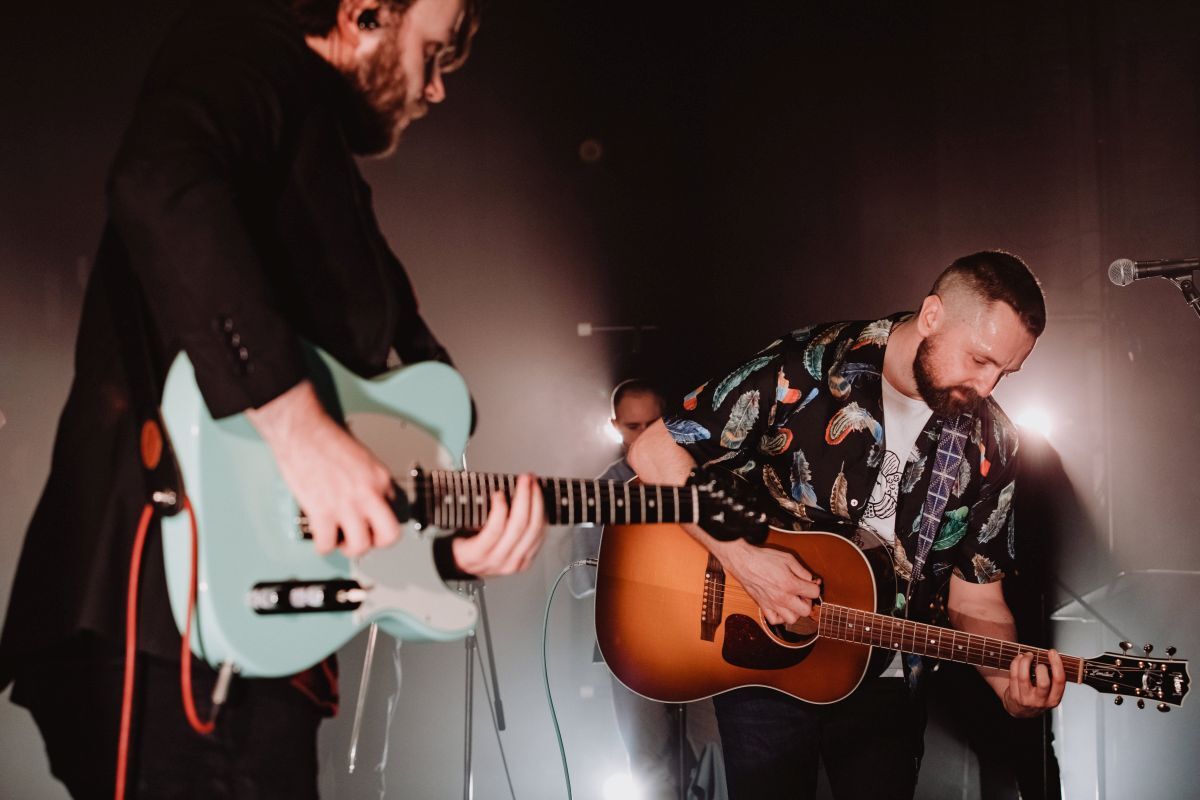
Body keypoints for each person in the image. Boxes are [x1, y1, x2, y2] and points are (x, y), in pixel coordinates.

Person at [0, 0, 545, 796]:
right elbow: (158, 181)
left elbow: (318, 477)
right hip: (165, 620)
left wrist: (441, 556)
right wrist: (296, 422)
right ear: (366, 12)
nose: (436, 92)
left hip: (266, 645)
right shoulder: (245, 49)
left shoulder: (323, 164)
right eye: (433, 55)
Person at [626, 251, 1066, 800]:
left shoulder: (992, 442)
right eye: (980, 359)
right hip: (766, 662)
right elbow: (655, 453)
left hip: (885, 685)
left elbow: (976, 602)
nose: (988, 385)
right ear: (932, 315)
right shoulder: (808, 365)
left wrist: (1008, 683)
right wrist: (745, 559)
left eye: (1005, 370)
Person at [570, 379, 724, 799]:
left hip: (700, 640)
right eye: (631, 426)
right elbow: (583, 582)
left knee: (716, 750)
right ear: (615, 425)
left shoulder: (700, 478)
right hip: (633, 647)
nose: (640, 436)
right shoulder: (600, 492)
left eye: (650, 424)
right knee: (647, 760)